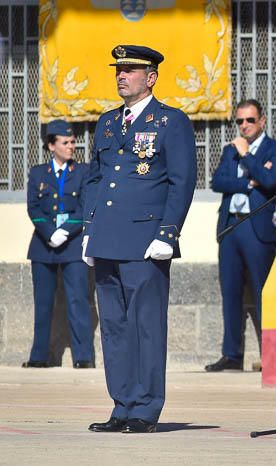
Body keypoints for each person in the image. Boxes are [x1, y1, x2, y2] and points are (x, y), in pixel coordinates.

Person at [82, 45, 197, 434]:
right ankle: (122, 404)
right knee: (113, 327)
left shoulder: (170, 122)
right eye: (119, 69)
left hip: (146, 240)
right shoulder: (108, 123)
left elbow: (182, 181)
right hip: (107, 238)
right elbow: (96, 178)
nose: (121, 75)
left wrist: (168, 232)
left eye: (130, 70)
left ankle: (146, 407)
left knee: (146, 325)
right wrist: (89, 228)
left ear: (150, 78)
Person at [205, 99, 276, 372]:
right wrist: (247, 182)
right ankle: (231, 354)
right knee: (230, 292)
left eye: (249, 120)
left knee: (263, 291)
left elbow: (269, 181)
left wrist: (247, 157)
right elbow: (217, 182)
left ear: (262, 121)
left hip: (257, 227)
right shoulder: (230, 150)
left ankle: (272, 354)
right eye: (239, 121)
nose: (244, 126)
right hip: (231, 226)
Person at [23, 119, 94, 369]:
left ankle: (83, 357)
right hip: (43, 246)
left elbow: (85, 206)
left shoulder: (83, 172)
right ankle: (39, 356)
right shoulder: (38, 173)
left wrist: (65, 231)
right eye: (65, 142)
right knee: (43, 303)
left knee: (78, 301)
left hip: (72, 244)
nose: (71, 146)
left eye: (73, 142)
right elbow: (33, 207)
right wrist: (48, 232)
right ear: (51, 145)